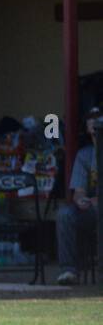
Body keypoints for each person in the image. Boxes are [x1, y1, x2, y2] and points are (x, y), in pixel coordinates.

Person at [57, 105, 99, 285]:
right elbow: (78, 191)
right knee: (65, 214)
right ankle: (69, 271)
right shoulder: (85, 155)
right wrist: (81, 200)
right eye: (93, 132)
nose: (96, 136)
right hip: (94, 211)